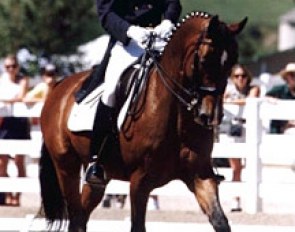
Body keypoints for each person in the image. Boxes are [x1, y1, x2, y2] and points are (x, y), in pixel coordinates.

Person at [83, 0, 182, 185]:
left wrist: (168, 20)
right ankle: (97, 160)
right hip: (128, 42)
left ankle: (197, 155)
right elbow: (106, 14)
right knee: (111, 90)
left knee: (185, 78)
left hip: (159, 39)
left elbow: (172, 2)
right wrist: (129, 30)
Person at [222, 64, 260, 211]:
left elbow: (250, 100)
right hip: (233, 130)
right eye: (237, 76)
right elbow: (220, 100)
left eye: (243, 76)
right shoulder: (228, 89)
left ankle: (249, 197)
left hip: (250, 130)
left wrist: (230, 101)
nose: (240, 79)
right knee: (236, 167)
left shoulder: (253, 88)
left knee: (252, 165)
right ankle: (236, 199)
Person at [0, 54, 30, 206]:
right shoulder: (1, 81)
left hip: (19, 120)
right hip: (4, 121)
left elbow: (21, 96)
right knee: (2, 161)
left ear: (17, 67)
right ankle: (6, 195)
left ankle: (17, 196)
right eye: (7, 66)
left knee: (19, 160)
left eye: (13, 66)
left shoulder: (23, 80)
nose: (10, 69)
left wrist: (4, 100)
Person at [265, 63, 295, 134]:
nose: (294, 77)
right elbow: (264, 97)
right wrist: (270, 99)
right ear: (286, 77)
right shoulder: (279, 89)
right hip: (281, 128)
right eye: (291, 75)